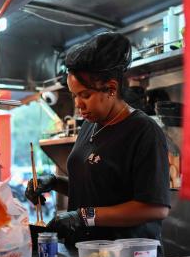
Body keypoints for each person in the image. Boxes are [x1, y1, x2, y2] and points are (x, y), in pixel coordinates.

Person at [26, 32, 170, 246]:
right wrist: (55, 183)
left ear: (111, 89)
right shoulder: (89, 126)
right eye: (74, 95)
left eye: (85, 95)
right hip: (85, 251)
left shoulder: (143, 131)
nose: (78, 104)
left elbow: (156, 208)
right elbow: (99, 188)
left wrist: (83, 216)